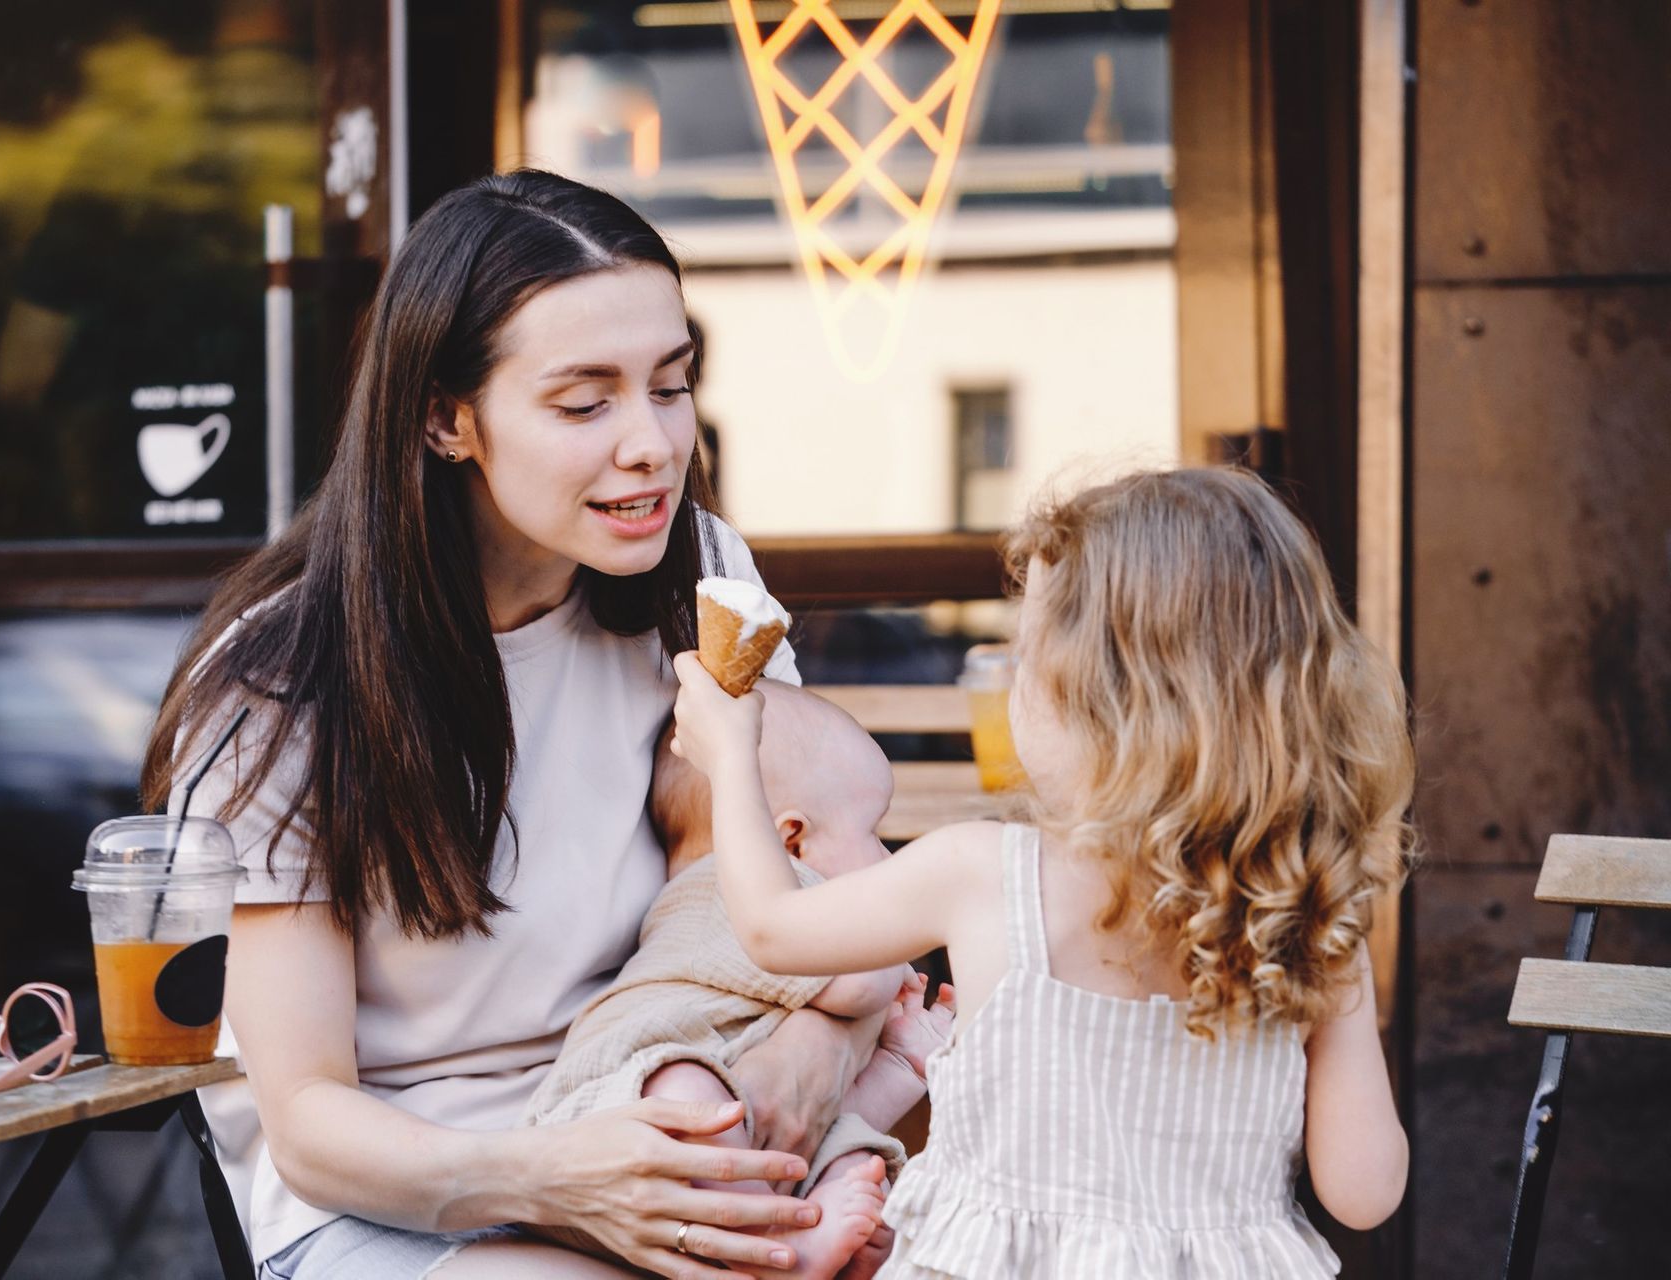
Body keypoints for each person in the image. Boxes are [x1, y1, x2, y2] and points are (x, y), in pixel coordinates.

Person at [140, 170, 894, 1280]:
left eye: (672, 385)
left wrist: (816, 1051)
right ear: (448, 417)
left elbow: (811, 899)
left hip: (667, 1094)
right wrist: (574, 1181)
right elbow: (305, 1117)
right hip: (416, 1197)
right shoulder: (285, 684)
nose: (650, 443)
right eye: (586, 402)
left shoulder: (705, 584)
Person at [671, 467, 1418, 1278]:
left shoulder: (982, 872)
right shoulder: (1306, 925)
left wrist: (730, 755)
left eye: (1030, 653)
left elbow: (772, 928)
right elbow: (1364, 1192)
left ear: (1105, 700)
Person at [526, 681, 959, 1279]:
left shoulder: (785, 945)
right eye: (874, 834)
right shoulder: (732, 888)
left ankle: (802, 1226)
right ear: (790, 841)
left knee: (834, 1143)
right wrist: (904, 939)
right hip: (608, 1131)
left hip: (720, 1149)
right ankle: (777, 1245)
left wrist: (903, 1061)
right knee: (686, 1092)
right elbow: (862, 982)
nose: (889, 860)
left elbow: (814, 1103)